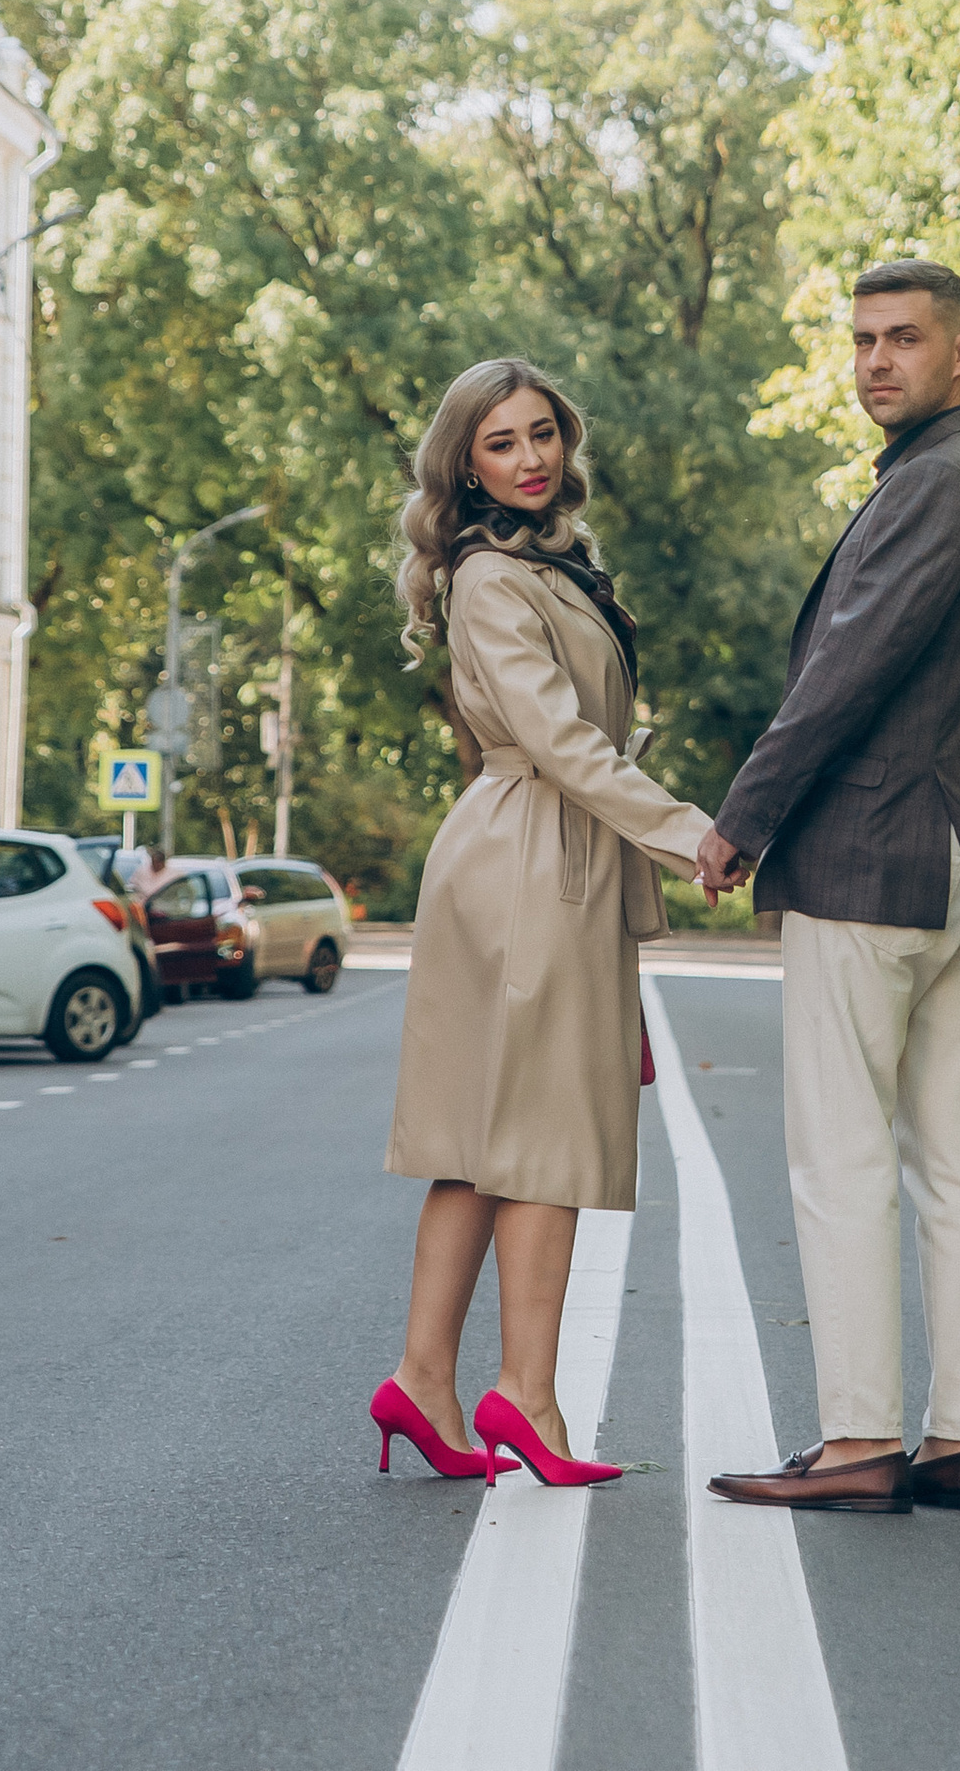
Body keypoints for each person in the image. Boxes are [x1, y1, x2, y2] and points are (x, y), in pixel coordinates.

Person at [695, 259, 960, 1516]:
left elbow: (842, 675)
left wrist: (743, 819)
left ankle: (858, 1440)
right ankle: (959, 1442)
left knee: (843, 1152)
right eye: (860, 341)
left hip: (879, 856)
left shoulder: (936, 486)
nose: (875, 362)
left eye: (902, 339)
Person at [372, 357, 714, 1490]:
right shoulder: (491, 579)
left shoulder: (546, 567)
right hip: (532, 855)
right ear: (463, 464)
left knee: (483, 1136)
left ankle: (424, 1380)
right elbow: (567, 744)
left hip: (533, 851)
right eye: (501, 443)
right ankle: (525, 1396)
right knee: (539, 1139)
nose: (529, 459)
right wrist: (691, 832)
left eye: (542, 435)